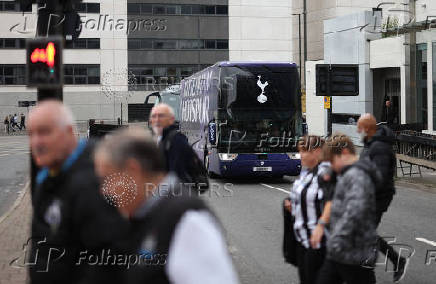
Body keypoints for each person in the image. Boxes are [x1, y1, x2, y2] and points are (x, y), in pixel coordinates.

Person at [93, 127, 239, 284]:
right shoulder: (141, 214)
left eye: (107, 178)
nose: (104, 190)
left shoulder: (187, 221)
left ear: (132, 170)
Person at [27, 100, 129, 284]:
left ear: (68, 132)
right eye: (31, 134)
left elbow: (107, 263)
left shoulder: (94, 181)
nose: (36, 142)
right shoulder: (49, 175)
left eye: (44, 132)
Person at [317, 134, 379, 284]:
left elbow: (355, 212)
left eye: (332, 161)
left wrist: (337, 239)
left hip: (354, 253)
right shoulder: (346, 173)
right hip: (342, 252)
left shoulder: (358, 176)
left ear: (344, 153)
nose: (331, 166)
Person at [357, 113, 407, 282]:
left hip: (378, 198)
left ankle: (368, 269)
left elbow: (380, 177)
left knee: (366, 231)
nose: (358, 131)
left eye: (360, 127)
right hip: (371, 197)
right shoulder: (371, 145)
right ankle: (394, 260)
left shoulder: (379, 147)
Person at [284, 135, 332, 284]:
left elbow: (333, 201)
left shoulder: (325, 173)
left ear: (317, 152)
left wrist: (321, 226)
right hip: (302, 241)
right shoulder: (306, 173)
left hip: (318, 243)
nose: (300, 155)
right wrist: (291, 205)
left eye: (304, 151)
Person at [150, 103, 205, 187]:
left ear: (171, 120)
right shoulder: (160, 139)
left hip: (177, 196)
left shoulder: (176, 140)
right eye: (154, 116)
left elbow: (177, 177)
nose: (157, 120)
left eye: (161, 116)